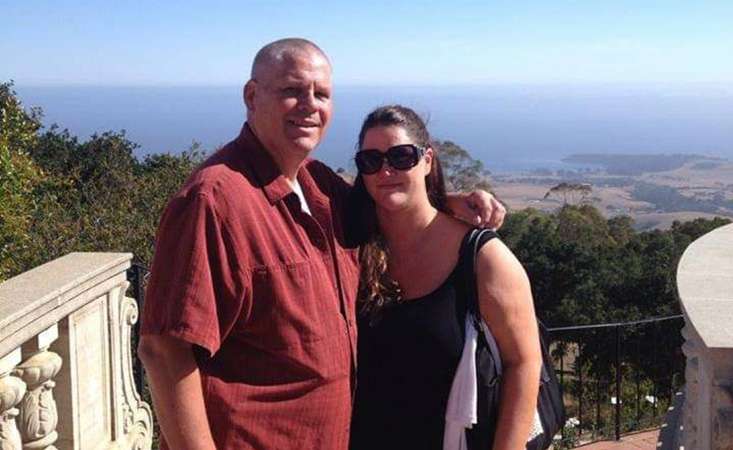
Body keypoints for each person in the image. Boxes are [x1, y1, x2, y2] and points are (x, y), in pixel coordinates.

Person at [137, 39, 506, 450]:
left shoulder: (319, 186)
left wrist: (445, 202)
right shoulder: (215, 201)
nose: (310, 104)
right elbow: (164, 350)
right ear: (252, 96)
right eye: (292, 90)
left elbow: (386, 210)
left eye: (322, 94)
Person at [348, 105, 542, 450]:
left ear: (427, 160)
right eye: (371, 160)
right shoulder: (352, 248)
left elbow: (523, 362)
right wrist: (449, 200)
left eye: (401, 156)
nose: (386, 170)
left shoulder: (482, 258)